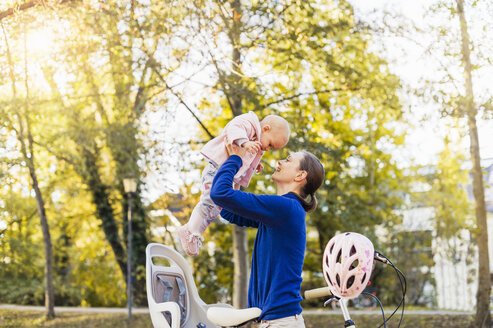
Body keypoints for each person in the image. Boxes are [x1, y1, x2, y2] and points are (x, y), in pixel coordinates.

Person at [210, 142, 325, 328]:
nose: (279, 161)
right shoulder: (283, 210)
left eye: (288, 160)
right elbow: (228, 211)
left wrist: (236, 159)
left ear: (300, 175)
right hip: (276, 321)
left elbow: (220, 194)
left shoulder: (285, 207)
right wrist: (243, 171)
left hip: (280, 323)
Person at [178, 111, 290, 256]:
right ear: (266, 128)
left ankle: (195, 231)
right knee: (209, 201)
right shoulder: (249, 123)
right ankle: (190, 231)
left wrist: (255, 165)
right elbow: (233, 128)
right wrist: (244, 142)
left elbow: (245, 160)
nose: (268, 149)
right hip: (217, 168)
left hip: (229, 177)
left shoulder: (257, 144)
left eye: (271, 149)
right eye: (270, 144)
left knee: (215, 209)